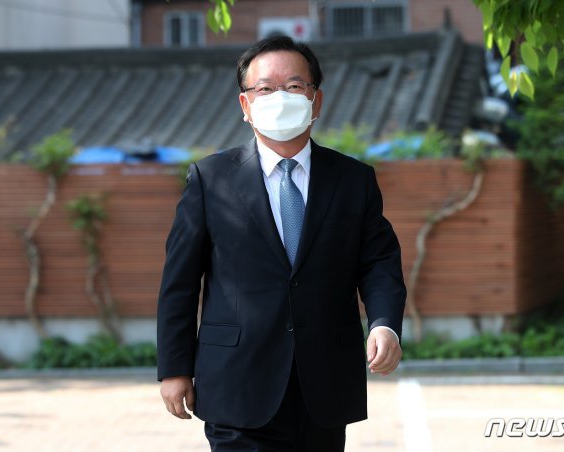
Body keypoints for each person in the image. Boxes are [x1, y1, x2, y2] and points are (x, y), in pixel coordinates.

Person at [157, 36, 406, 451]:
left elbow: (378, 262)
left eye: (294, 86)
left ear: (316, 101)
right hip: (236, 384)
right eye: (265, 88)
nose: (280, 98)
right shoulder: (210, 179)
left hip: (324, 385)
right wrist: (174, 368)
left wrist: (384, 324)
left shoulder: (353, 180)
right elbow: (179, 282)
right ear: (245, 105)